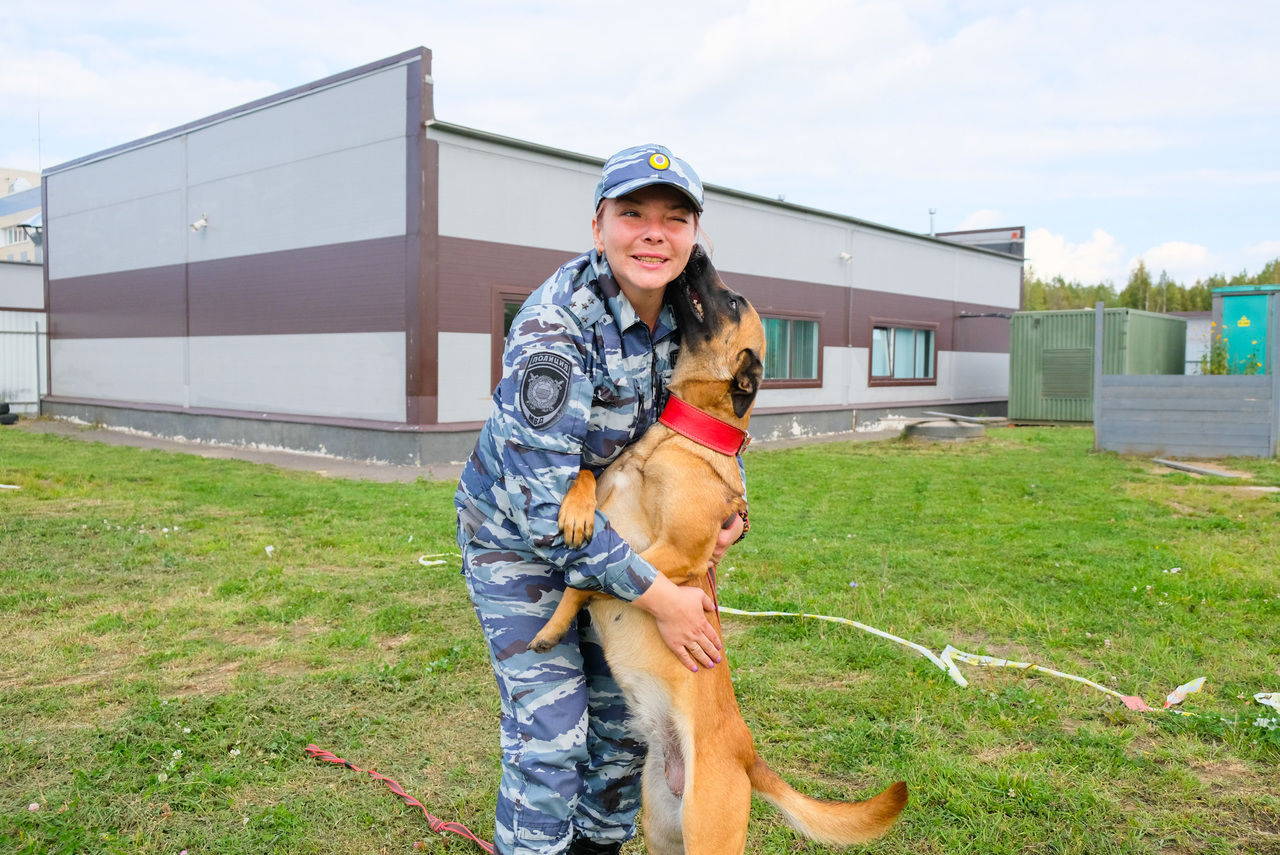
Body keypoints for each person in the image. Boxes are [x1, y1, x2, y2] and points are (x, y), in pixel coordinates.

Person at [454, 144, 746, 855]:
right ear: (598, 227)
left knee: (622, 733)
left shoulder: (692, 314)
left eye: (674, 218)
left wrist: (730, 512)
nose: (654, 232)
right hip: (519, 541)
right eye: (633, 214)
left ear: (692, 235)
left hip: (619, 531)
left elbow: (719, 422)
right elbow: (542, 520)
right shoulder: (554, 331)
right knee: (554, 736)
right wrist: (663, 595)